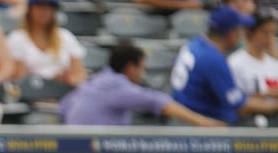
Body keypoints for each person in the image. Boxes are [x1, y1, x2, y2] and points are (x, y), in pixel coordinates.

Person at [61, 42, 224, 126]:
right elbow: (157, 102)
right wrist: (202, 122)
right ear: (131, 68)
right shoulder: (115, 84)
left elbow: (64, 107)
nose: (143, 72)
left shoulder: (95, 80)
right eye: (142, 67)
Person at [171, 5, 278, 123]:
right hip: (199, 125)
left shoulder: (196, 42)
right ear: (231, 34)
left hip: (188, 117)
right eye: (239, 29)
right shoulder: (212, 59)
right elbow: (239, 105)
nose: (242, 34)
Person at [7, 0, 86, 86]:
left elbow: (79, 74)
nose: (45, 11)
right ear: (30, 9)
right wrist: (50, 80)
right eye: (40, 7)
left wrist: (68, 79)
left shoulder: (66, 36)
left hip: (62, 91)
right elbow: (17, 76)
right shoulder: (17, 38)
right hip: (30, 92)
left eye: (49, 8)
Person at [228, 10, 278, 97]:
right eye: (265, 33)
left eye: (273, 33)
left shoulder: (274, 62)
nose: (270, 38)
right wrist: (265, 95)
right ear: (250, 33)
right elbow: (234, 100)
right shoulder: (235, 63)